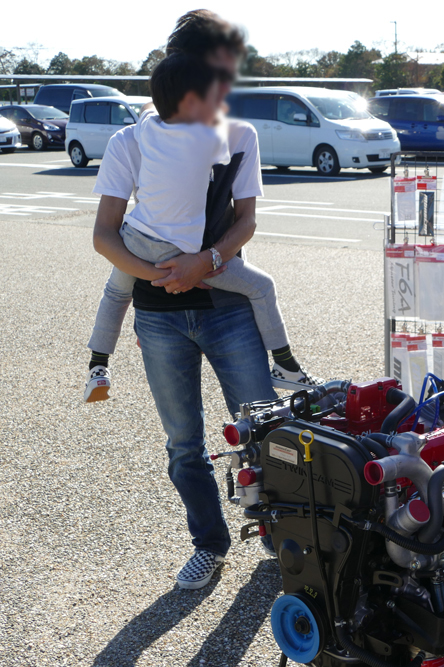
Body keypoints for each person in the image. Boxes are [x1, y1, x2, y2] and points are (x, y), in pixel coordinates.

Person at [91, 10, 278, 590]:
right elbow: (104, 233)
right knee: (183, 444)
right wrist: (157, 274)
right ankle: (210, 543)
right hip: (160, 317)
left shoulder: (239, 135)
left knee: (265, 428)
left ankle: (285, 531)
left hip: (228, 310)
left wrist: (207, 262)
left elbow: (245, 221)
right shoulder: (131, 140)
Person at [84, 52, 320, 403]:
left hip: (135, 241)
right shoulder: (209, 139)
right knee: (262, 287)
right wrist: (189, 268)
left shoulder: (142, 132)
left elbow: (103, 236)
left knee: (116, 292)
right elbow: (245, 214)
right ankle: (285, 363)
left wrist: (151, 273)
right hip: (188, 257)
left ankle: (97, 365)